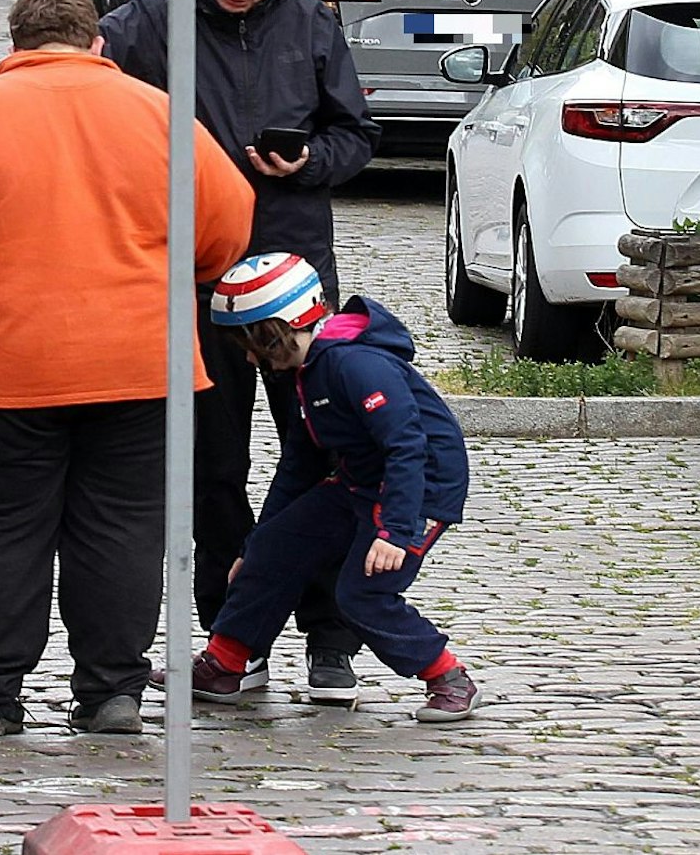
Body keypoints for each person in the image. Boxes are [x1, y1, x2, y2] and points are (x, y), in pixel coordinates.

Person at [0, 0, 255, 740]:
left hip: (4, 372)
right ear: (97, 44)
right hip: (141, 368)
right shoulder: (156, 115)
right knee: (124, 529)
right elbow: (228, 219)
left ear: (14, 47)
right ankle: (112, 690)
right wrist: (183, 267)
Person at [102, 0, 380, 704]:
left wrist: (311, 161)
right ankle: (233, 643)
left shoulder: (311, 25)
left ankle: (331, 639)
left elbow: (356, 134)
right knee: (211, 468)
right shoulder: (147, 26)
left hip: (295, 283)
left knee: (327, 461)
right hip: (196, 277)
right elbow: (88, 102)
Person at [161, 253, 478, 722]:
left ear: (285, 325)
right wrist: (255, 545)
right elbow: (298, 463)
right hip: (360, 483)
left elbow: (407, 447)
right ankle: (224, 664)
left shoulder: (357, 366)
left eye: (256, 342)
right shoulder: (308, 373)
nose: (251, 358)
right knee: (273, 547)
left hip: (416, 494)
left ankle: (447, 676)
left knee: (362, 593)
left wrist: (394, 531)